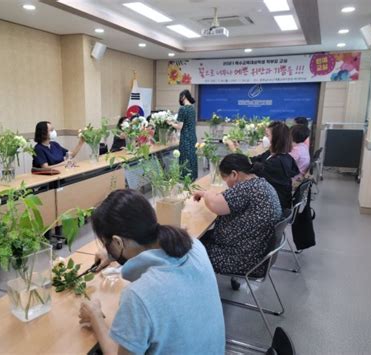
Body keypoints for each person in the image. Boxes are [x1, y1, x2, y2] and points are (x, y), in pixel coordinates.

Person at [78, 189, 225, 355]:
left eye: (107, 244)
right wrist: (112, 253)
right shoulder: (194, 246)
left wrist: (95, 317)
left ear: (118, 242)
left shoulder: (138, 295)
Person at [193, 154, 282, 277]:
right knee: (200, 238)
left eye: (226, 179)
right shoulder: (260, 183)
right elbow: (224, 198)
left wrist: (205, 194)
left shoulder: (247, 188)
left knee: (189, 247)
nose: (227, 185)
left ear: (234, 174)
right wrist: (205, 194)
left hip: (241, 258)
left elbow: (215, 205)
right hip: (255, 252)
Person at [251, 121, 299, 209]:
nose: (264, 138)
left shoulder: (277, 162)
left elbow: (252, 168)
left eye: (267, 135)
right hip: (271, 198)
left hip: (275, 205)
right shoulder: (272, 153)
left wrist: (235, 150)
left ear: (277, 139)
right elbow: (253, 160)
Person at [168, 90, 198, 181]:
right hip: (193, 136)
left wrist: (170, 123)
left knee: (185, 157)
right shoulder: (193, 108)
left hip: (185, 137)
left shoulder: (183, 109)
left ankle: (185, 177)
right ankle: (193, 176)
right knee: (192, 156)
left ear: (183, 96)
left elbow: (179, 126)